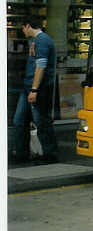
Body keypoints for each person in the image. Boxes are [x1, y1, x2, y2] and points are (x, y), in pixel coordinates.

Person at [12, 16, 59, 163]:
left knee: (41, 121)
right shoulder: (35, 41)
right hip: (29, 87)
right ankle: (21, 153)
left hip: (38, 89)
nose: (23, 32)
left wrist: (34, 90)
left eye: (23, 28)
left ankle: (49, 154)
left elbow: (41, 66)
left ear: (27, 26)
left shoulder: (42, 40)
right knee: (19, 120)